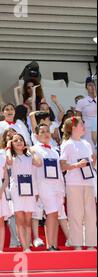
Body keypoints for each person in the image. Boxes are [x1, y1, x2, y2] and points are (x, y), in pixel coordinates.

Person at [60, 116, 97, 250]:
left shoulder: (86, 143)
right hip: (74, 183)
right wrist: (76, 165)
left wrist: (93, 161)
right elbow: (63, 166)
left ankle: (91, 244)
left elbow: (90, 165)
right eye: (81, 124)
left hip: (88, 182)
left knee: (90, 214)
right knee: (76, 213)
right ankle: (77, 244)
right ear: (74, 127)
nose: (84, 126)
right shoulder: (67, 144)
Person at [32, 124, 67, 250]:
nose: (46, 134)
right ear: (36, 135)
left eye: (47, 131)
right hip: (44, 185)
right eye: (42, 132)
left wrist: (62, 187)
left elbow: (59, 170)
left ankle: (53, 245)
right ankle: (49, 245)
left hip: (57, 185)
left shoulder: (55, 150)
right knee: (51, 212)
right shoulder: (34, 149)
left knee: (55, 214)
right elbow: (36, 165)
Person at [5, 133, 42, 252]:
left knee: (28, 220)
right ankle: (25, 246)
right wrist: (8, 147)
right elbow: (9, 162)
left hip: (29, 189)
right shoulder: (12, 156)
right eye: (15, 141)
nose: (19, 142)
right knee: (20, 219)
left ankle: (27, 243)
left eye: (21, 140)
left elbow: (38, 163)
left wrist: (31, 150)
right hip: (16, 189)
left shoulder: (29, 156)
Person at [75, 77, 97, 149]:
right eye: (90, 85)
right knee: (91, 151)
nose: (92, 87)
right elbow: (76, 118)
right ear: (86, 87)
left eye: (94, 85)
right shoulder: (81, 102)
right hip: (88, 130)